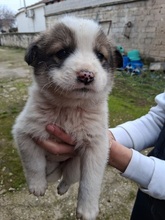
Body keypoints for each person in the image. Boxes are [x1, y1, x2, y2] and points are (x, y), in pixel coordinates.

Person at [37, 92, 165, 220]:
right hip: (147, 194)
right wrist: (106, 136)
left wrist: (103, 148)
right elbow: (159, 119)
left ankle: (66, 182)